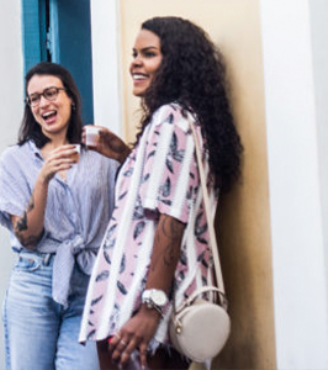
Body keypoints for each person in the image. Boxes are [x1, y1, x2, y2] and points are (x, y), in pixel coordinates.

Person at [79, 17, 243, 369]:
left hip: (139, 301)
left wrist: (151, 308)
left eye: (148, 54)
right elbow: (166, 192)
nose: (134, 62)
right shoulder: (180, 121)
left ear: (175, 63)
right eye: (134, 53)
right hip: (137, 299)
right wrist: (126, 155)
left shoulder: (172, 120)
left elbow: (172, 216)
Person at [0, 62, 119, 369]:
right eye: (34, 98)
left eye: (50, 93)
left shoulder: (102, 155)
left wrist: (122, 152)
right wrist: (43, 179)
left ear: (71, 97)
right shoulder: (16, 160)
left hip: (90, 284)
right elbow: (27, 236)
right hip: (34, 282)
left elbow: (133, 203)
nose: (43, 104)